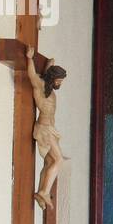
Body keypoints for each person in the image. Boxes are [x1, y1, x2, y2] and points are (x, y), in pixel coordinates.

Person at [26, 45, 67, 211]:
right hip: (44, 129)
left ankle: (41, 191)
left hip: (50, 128)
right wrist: (29, 59)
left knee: (49, 161)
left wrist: (50, 64)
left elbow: (47, 72)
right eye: (59, 80)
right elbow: (32, 76)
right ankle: (44, 191)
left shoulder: (49, 87)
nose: (60, 83)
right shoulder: (41, 86)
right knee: (58, 160)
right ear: (53, 79)